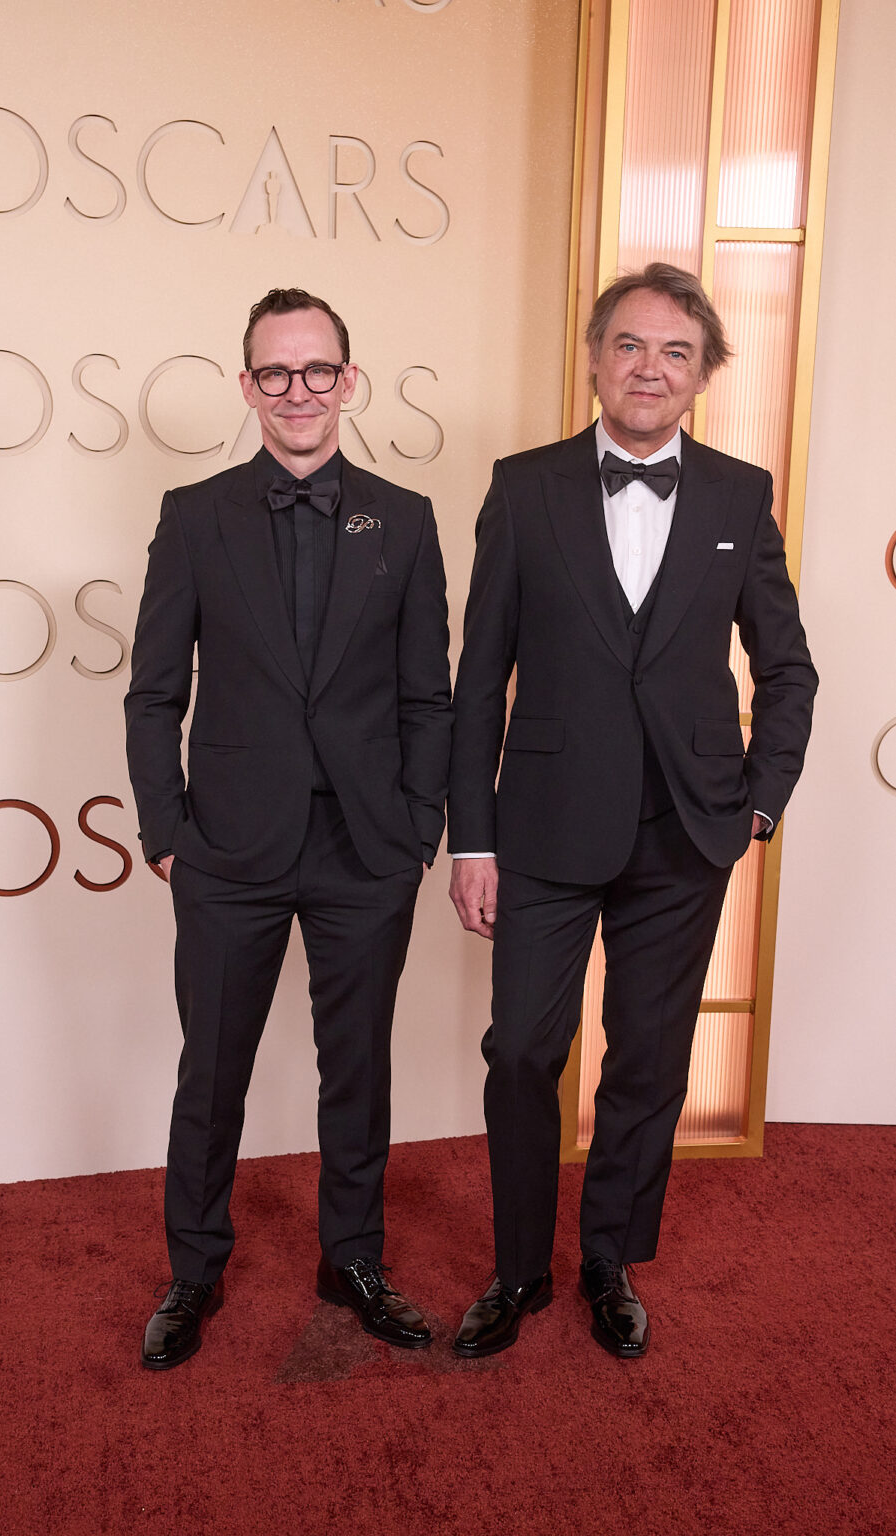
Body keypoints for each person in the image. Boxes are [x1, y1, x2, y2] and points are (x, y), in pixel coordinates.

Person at [446, 263, 816, 1360]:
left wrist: (758, 804)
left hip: (687, 830)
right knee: (523, 1049)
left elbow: (786, 668)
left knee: (647, 1058)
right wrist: (472, 838)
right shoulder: (524, 487)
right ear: (595, 359)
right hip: (543, 826)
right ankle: (518, 1270)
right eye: (629, 345)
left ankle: (607, 1260)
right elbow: (478, 681)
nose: (648, 369)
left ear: (701, 376)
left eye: (674, 352)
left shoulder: (740, 495)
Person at [125, 288, 452, 1369]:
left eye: (317, 371)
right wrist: (166, 831)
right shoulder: (194, 514)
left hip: (366, 848)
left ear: (348, 381)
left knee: (356, 1069)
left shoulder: (405, 518)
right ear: (247, 385)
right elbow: (154, 693)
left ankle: (351, 1259)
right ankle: (193, 1269)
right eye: (276, 372)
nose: (297, 390)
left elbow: (427, 695)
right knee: (211, 1071)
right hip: (227, 849)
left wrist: (417, 829)